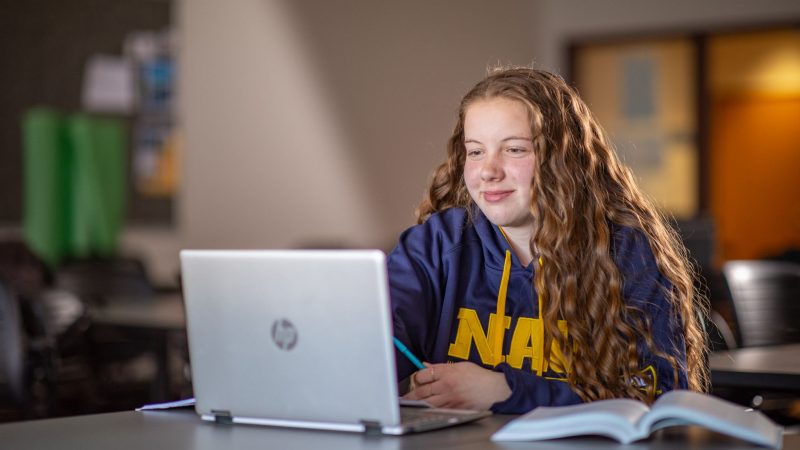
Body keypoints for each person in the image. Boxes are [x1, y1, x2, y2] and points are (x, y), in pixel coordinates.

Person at [388, 67, 709, 414]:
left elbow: (662, 392)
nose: (488, 170)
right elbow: (374, 349)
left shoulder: (626, 252)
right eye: (476, 151)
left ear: (561, 160)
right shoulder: (437, 243)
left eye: (514, 149)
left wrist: (504, 390)